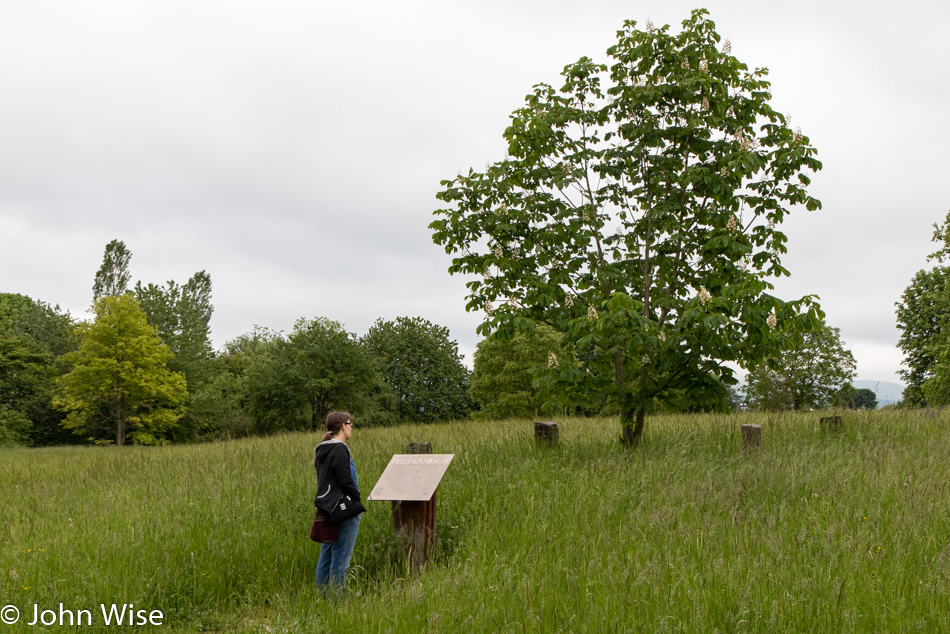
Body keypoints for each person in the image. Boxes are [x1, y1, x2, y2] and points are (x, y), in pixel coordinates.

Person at [314, 411, 364, 593]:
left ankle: (323, 599)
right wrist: (356, 502)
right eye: (350, 424)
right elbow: (345, 481)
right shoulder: (340, 449)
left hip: (328, 508)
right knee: (341, 558)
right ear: (343, 426)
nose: (351, 428)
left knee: (326, 555)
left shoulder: (322, 449)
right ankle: (336, 604)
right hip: (344, 509)